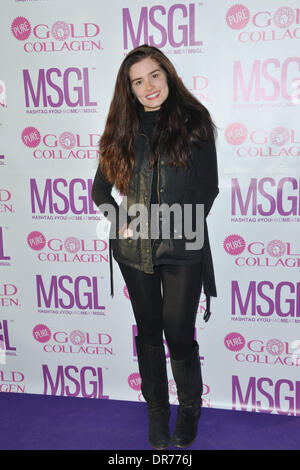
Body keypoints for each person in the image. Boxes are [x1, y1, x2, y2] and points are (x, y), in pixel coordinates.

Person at [91, 45, 219, 450]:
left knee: (178, 333)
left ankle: (191, 408)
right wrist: (120, 221)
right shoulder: (121, 131)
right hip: (135, 252)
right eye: (138, 81)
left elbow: (207, 187)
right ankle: (157, 414)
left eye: (154, 75)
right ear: (128, 89)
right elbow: (100, 191)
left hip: (184, 246)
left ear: (168, 75)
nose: (148, 86)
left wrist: (179, 227)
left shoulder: (194, 122)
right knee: (148, 332)